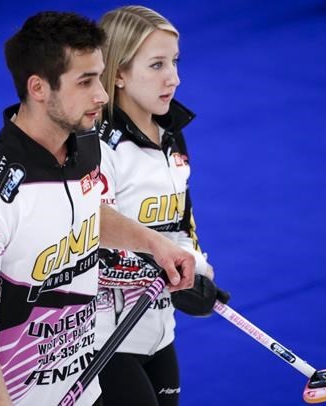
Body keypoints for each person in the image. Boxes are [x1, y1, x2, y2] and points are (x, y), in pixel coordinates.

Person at [0, 11, 194, 406]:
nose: (103, 95)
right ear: (39, 88)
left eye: (100, 76)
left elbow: (89, 212)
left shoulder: (85, 146)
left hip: (83, 387)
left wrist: (154, 244)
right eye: (86, 81)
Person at [94, 6, 214, 406]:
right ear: (119, 73)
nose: (174, 78)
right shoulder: (94, 146)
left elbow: (182, 225)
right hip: (102, 338)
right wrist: (158, 264)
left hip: (158, 329)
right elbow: (87, 235)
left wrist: (196, 271)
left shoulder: (171, 135)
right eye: (157, 64)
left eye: (175, 62)